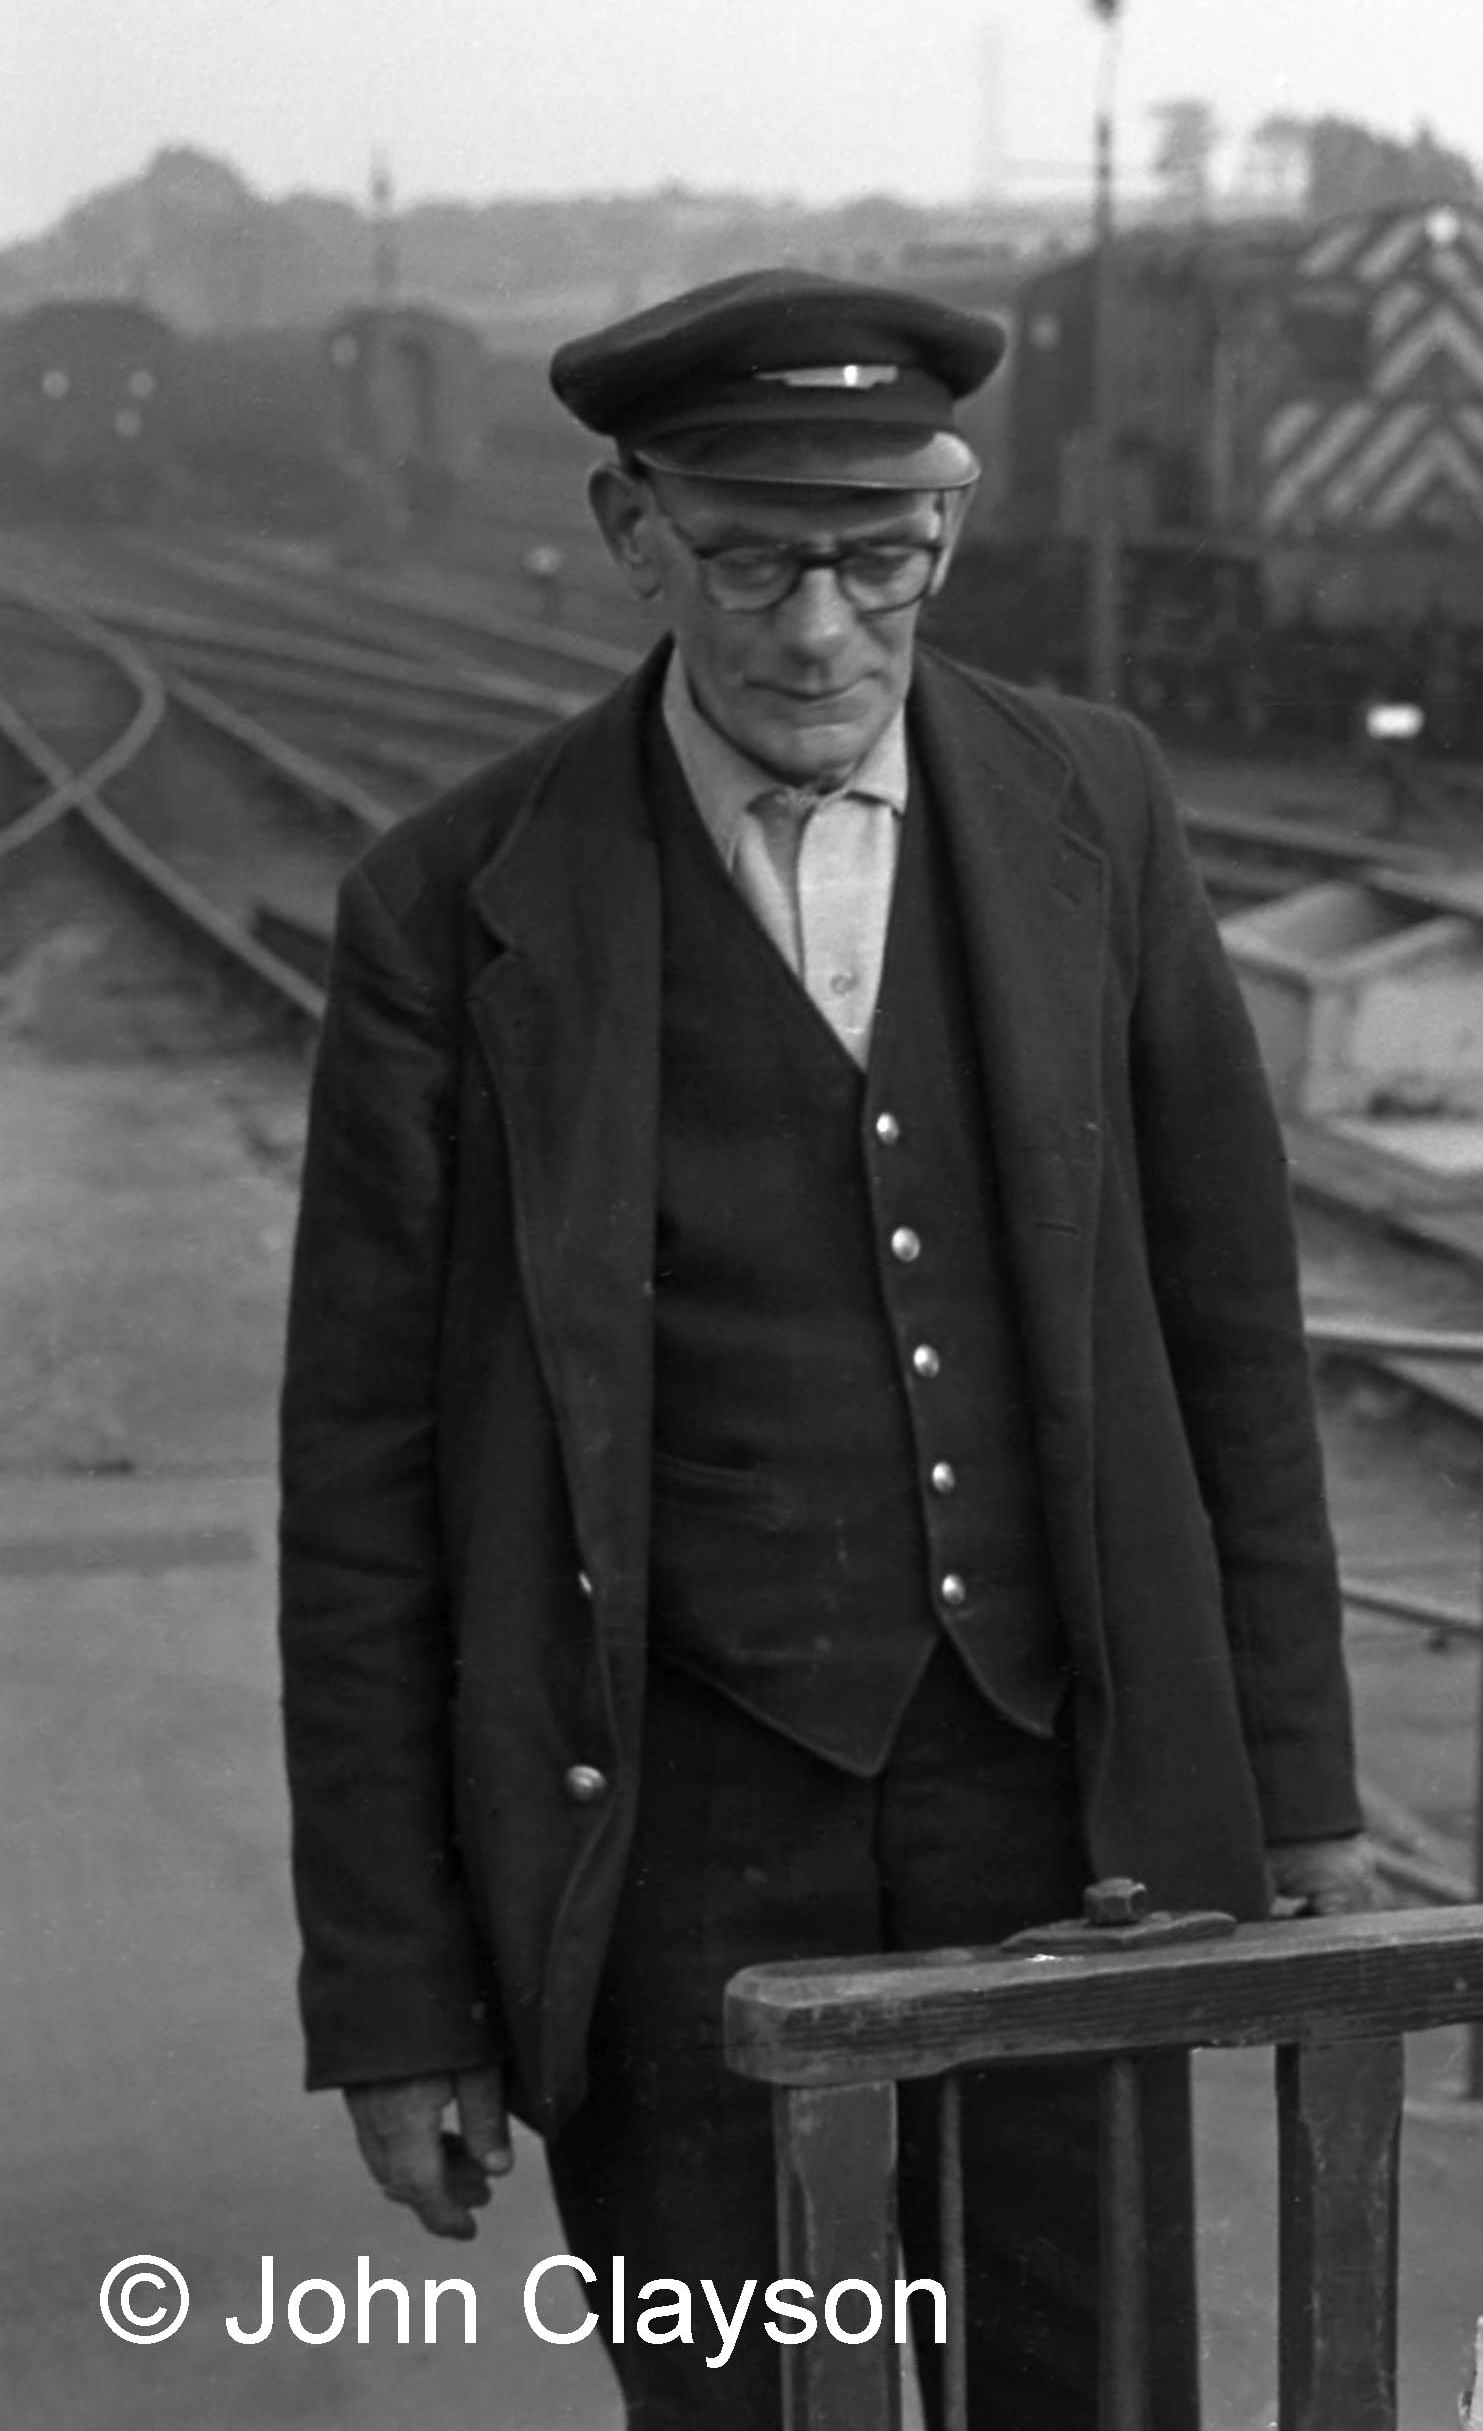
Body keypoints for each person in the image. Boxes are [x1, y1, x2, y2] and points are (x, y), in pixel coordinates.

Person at [276, 268, 1382, 2427]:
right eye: (748, 560)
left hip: (1057, 1811)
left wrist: (1304, 1795)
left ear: (947, 542)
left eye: (875, 560)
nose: (814, 630)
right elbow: (367, 1488)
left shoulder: (1096, 808)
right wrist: (397, 1996)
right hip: (665, 1823)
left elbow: (1233, 1333)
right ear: (627, 528)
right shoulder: (450, 901)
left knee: (1083, 2373)